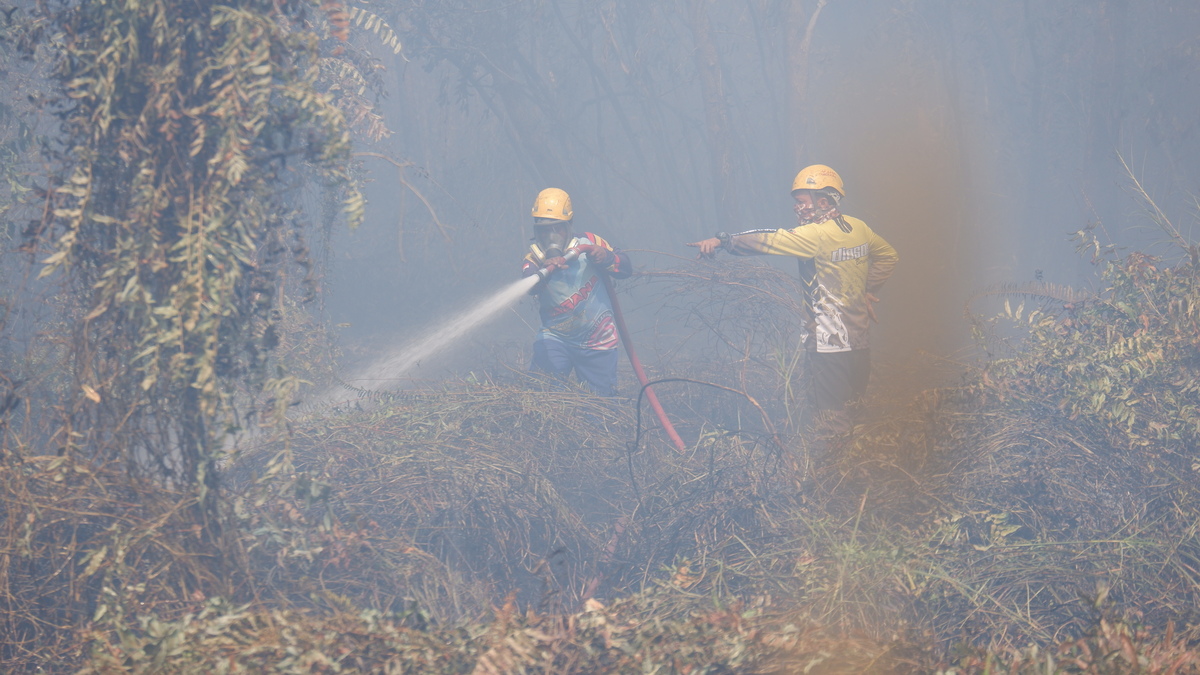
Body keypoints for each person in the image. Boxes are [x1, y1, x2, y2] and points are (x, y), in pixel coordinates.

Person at [687, 164, 898, 433]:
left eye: (801, 202)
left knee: (831, 417)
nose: (797, 208)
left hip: (827, 346)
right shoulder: (859, 228)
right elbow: (889, 256)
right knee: (855, 408)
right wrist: (868, 290)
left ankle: (838, 468)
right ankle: (859, 462)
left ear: (823, 201)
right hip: (859, 344)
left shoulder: (815, 234)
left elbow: (770, 240)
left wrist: (724, 241)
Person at [521, 188, 632, 396]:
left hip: (599, 341)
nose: (550, 236)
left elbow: (626, 268)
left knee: (601, 409)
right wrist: (546, 271)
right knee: (541, 398)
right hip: (555, 338)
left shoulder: (590, 242)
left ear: (569, 226)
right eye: (544, 230)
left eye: (557, 229)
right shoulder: (534, 258)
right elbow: (529, 284)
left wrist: (606, 257)